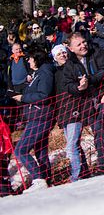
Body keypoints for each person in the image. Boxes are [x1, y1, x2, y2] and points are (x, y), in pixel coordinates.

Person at [59, 31, 104, 178]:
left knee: (99, 126)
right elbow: (67, 84)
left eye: (84, 42)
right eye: (79, 44)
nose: (83, 46)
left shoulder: (97, 52)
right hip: (87, 99)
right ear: (71, 48)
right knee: (96, 128)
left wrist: (90, 79)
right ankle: (92, 167)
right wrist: (78, 88)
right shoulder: (70, 64)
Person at [11, 47, 56, 192]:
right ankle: (47, 179)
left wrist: (23, 98)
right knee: (40, 151)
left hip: (40, 117)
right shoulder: (37, 74)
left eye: (30, 58)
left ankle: (38, 178)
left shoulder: (45, 72)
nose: (28, 61)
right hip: (36, 116)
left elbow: (43, 95)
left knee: (20, 150)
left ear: (36, 58)